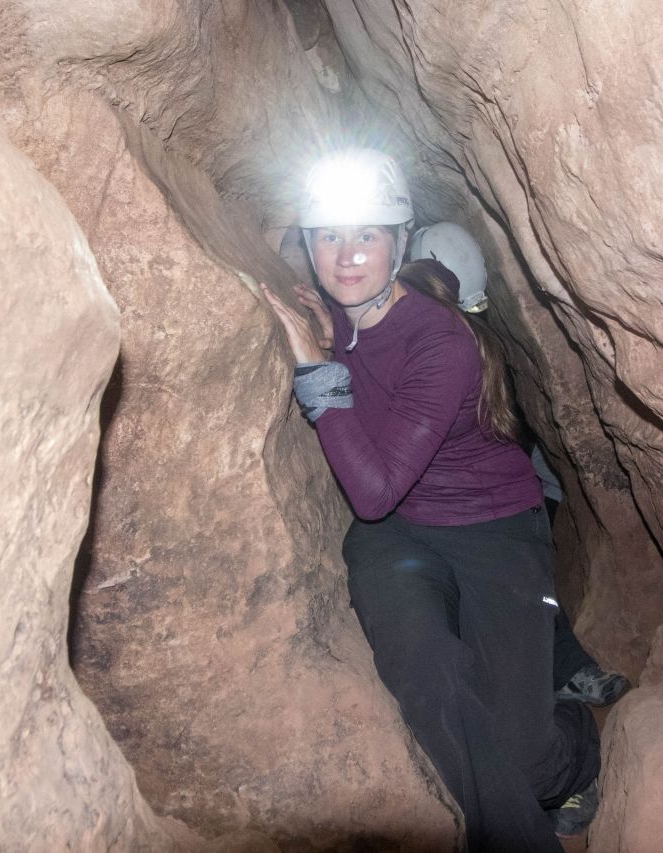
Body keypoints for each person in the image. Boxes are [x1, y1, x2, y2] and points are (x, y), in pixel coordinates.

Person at [260, 148, 600, 851]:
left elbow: (374, 490)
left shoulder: (442, 340)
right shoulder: (337, 312)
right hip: (399, 535)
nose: (346, 255)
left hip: (494, 526)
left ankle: (576, 747)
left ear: (400, 242)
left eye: (367, 235)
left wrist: (318, 371)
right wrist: (327, 336)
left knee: (523, 755)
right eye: (329, 236)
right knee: (429, 676)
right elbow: (381, 506)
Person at [407, 222, 632, 708]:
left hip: (499, 500)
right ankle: (544, 678)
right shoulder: (462, 337)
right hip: (488, 498)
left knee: (524, 589)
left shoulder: (453, 345)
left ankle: (564, 674)